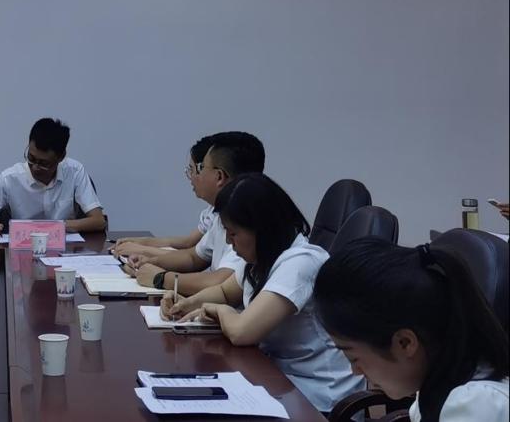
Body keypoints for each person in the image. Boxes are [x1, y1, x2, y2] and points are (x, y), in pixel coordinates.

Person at [161, 173, 362, 413]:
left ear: (262, 229)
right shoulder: (263, 258)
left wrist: (220, 311)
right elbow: (224, 292)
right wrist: (186, 303)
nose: (228, 241)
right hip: (280, 378)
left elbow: (241, 332)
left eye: (233, 233)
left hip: (318, 397)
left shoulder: (301, 263)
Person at [313, 238, 509, 422]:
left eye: (354, 358)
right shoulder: (438, 380)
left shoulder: (477, 405)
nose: (355, 371)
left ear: (405, 343)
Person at [119, 132, 262, 296]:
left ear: (219, 176)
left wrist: (161, 278)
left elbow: (221, 282)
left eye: (201, 168)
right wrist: (149, 262)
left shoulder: (250, 221)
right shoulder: (223, 212)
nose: (194, 176)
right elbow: (193, 257)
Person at [0, 118, 105, 235]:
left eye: (44, 164)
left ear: (61, 157)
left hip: (66, 249)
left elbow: (98, 221)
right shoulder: (10, 178)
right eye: (31, 158)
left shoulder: (75, 172)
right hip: (23, 248)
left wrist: (57, 227)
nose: (35, 167)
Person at [111, 135, 216, 253]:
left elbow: (192, 258)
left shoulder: (227, 218)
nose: (191, 177)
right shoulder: (212, 211)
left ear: (219, 175)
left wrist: (142, 250)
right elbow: (188, 242)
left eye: (193, 170)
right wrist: (143, 242)